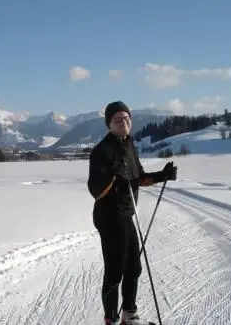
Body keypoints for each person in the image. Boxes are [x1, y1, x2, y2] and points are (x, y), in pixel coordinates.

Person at [87, 101, 177, 325]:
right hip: (109, 216)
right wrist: (112, 177)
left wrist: (162, 175)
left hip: (127, 213)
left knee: (134, 268)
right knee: (115, 272)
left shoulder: (129, 145)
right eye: (117, 119)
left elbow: (138, 179)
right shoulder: (101, 151)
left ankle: (129, 314)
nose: (123, 122)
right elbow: (95, 190)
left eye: (126, 119)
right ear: (109, 123)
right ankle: (112, 319)